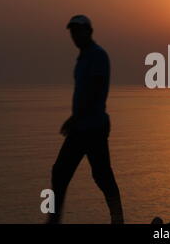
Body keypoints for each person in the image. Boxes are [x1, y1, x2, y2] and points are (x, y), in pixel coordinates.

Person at [47, 15, 124, 224]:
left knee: (100, 174)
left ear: (89, 32)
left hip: (93, 126)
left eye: (79, 31)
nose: (75, 35)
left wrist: (75, 118)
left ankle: (117, 217)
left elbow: (95, 91)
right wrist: (75, 119)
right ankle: (54, 218)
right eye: (72, 32)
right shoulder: (82, 59)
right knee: (61, 171)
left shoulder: (98, 56)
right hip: (81, 126)